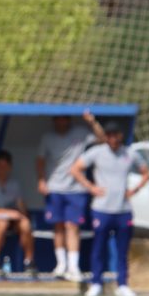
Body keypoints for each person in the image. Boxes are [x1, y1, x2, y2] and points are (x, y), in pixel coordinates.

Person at [70, 122, 149, 296]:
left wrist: (134, 190)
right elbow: (75, 169)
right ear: (106, 136)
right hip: (101, 209)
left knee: (123, 250)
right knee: (98, 248)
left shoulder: (130, 154)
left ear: (121, 136)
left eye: (116, 135)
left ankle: (122, 285)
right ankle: (96, 284)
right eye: (109, 135)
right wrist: (91, 187)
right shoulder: (97, 152)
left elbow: (146, 172)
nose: (113, 138)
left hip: (123, 210)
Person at [37, 111, 106, 281]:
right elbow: (40, 160)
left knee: (73, 227)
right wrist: (41, 180)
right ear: (54, 121)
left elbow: (103, 139)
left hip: (77, 190)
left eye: (64, 119)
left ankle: (73, 267)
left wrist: (92, 122)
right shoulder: (47, 138)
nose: (61, 122)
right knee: (58, 227)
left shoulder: (81, 133)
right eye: (58, 119)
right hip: (54, 188)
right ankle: (60, 265)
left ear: (68, 120)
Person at [0, 150, 35, 275]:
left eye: (5, 166)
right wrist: (10, 213)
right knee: (2, 223)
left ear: (10, 167)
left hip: (12, 220)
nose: (2, 169)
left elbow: (21, 206)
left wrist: (22, 214)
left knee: (26, 224)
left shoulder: (14, 184)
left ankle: (29, 262)